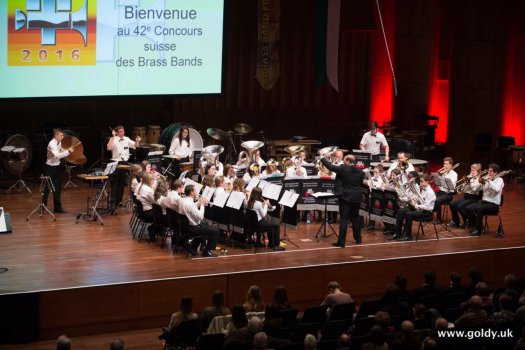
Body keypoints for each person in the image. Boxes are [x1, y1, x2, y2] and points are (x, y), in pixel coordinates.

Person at [321, 154, 364, 246]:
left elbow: (330, 166)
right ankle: (358, 239)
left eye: (344, 160)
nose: (343, 161)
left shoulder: (343, 168)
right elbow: (360, 184)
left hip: (346, 197)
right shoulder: (360, 172)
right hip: (357, 197)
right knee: (355, 218)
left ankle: (341, 242)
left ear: (348, 161)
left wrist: (322, 157)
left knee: (344, 219)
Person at [464, 163, 505, 236]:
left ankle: (478, 230)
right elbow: (477, 189)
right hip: (484, 202)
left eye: (491, 171)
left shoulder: (500, 180)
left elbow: (497, 189)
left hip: (493, 205)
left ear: (495, 173)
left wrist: (489, 181)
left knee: (479, 209)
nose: (488, 173)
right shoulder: (486, 179)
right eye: (488, 171)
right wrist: (479, 183)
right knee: (468, 208)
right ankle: (475, 226)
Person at [179, 185, 219, 257]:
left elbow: (191, 209)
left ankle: (194, 248)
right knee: (215, 231)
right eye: (195, 190)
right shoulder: (190, 203)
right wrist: (202, 205)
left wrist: (199, 202)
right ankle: (208, 251)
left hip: (185, 226)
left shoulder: (183, 200)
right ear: (191, 192)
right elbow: (200, 217)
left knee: (205, 226)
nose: (197, 192)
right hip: (193, 228)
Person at [107, 125, 140, 210]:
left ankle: (119, 201)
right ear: (117, 132)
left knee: (122, 183)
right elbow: (109, 148)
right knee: (115, 183)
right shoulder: (113, 139)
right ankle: (113, 203)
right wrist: (113, 136)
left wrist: (137, 141)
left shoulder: (127, 139)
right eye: (121, 131)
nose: (123, 133)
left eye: (123, 131)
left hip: (124, 163)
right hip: (115, 162)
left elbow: (135, 146)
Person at [394, 173, 435, 241]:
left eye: (422, 181)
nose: (420, 183)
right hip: (419, 208)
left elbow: (427, 207)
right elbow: (415, 198)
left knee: (408, 214)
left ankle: (408, 236)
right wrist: (402, 199)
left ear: (427, 181)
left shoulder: (430, 192)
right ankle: (398, 233)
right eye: (420, 181)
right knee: (400, 211)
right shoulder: (421, 189)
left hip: (426, 212)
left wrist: (415, 205)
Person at [43, 128, 74, 213]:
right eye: (61, 135)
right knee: (47, 188)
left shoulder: (59, 142)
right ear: (56, 135)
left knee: (57, 188)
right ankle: (43, 207)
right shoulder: (52, 143)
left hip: (56, 167)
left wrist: (68, 150)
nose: (62, 136)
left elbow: (61, 152)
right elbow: (57, 155)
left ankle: (57, 208)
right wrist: (68, 151)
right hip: (49, 168)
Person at [449, 163, 483, 228]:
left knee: (459, 206)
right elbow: (464, 190)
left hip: (473, 198)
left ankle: (467, 220)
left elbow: (474, 190)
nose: (471, 172)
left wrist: (469, 181)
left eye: (473, 171)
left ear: (478, 172)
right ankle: (456, 222)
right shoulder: (470, 178)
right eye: (471, 170)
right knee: (452, 203)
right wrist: (465, 184)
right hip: (466, 197)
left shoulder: (480, 180)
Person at [432, 157, 458, 224]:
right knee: (431, 196)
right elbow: (439, 185)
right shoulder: (442, 172)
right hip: (441, 192)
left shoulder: (454, 174)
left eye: (446, 164)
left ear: (451, 165)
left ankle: (439, 219)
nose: (444, 166)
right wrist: (438, 178)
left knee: (437, 200)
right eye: (444, 164)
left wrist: (445, 175)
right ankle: (429, 215)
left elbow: (452, 186)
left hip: (448, 194)